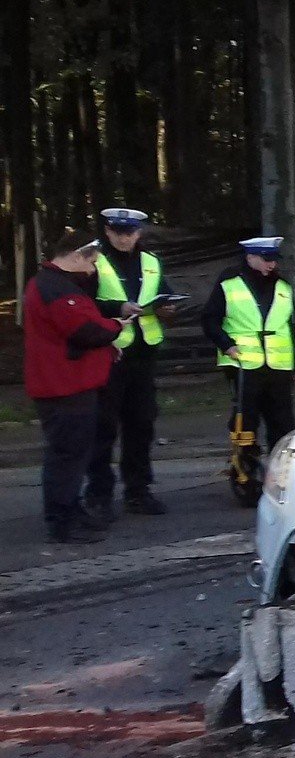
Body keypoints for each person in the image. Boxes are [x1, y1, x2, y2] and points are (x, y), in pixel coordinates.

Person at [24, 232, 137, 542]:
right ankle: (61, 519)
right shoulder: (56, 288)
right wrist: (115, 328)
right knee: (66, 454)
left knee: (73, 452)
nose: (94, 268)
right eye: (91, 260)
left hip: (70, 382)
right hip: (63, 385)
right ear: (76, 256)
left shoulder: (57, 285)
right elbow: (83, 329)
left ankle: (70, 510)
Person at [86, 207, 177, 517]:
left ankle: (138, 490)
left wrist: (167, 308)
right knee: (103, 426)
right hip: (108, 353)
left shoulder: (151, 261)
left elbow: (164, 295)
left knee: (141, 425)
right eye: (118, 231)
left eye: (130, 232)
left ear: (139, 232)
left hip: (143, 354)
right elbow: (83, 302)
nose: (124, 237)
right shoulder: (94, 259)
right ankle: (98, 492)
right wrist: (117, 306)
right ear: (108, 231)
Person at [202, 236, 295, 461]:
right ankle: (245, 466)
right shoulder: (229, 283)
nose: (272, 265)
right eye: (267, 259)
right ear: (250, 257)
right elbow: (210, 319)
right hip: (242, 363)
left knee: (282, 421)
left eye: (274, 260)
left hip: (278, 365)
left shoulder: (283, 286)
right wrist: (226, 344)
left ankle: (280, 467)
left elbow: (293, 326)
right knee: (245, 419)